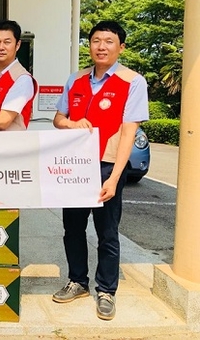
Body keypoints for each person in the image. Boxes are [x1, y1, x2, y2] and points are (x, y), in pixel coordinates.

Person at [51, 21, 149, 321]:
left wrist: (115, 177)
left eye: (108, 41)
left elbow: (129, 132)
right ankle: (77, 281)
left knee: (107, 232)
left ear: (121, 47)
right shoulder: (76, 79)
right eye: (96, 40)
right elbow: (58, 119)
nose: (101, 47)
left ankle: (106, 290)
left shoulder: (132, 82)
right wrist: (71, 123)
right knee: (73, 228)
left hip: (107, 165)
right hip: (75, 166)